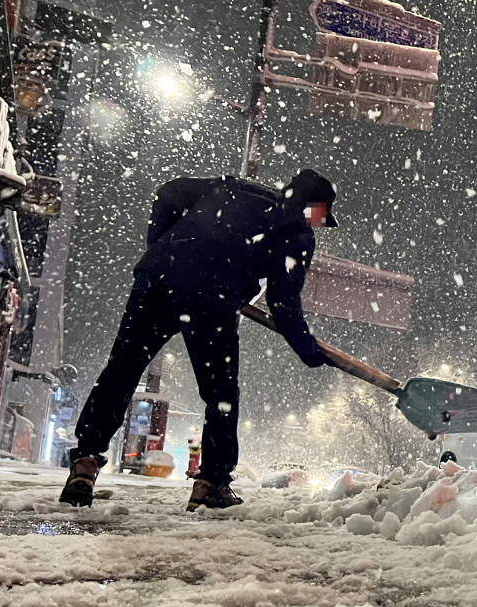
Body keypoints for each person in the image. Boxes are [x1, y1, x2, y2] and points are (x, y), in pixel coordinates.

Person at [60, 169, 337, 511]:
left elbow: (168, 192)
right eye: (322, 216)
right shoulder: (296, 231)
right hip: (212, 296)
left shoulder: (232, 188)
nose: (318, 224)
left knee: (120, 373)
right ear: (315, 207)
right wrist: (307, 348)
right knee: (221, 394)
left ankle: (85, 461)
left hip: (156, 279)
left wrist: (164, 247)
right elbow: (283, 301)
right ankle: (212, 484)